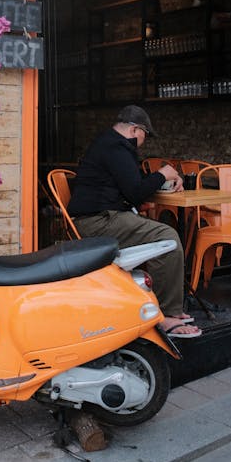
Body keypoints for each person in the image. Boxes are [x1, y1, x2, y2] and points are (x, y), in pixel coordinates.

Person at [68, 104, 201, 338]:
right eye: (145, 135)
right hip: (97, 222)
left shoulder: (108, 144)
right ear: (135, 130)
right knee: (167, 238)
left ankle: (162, 305)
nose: (144, 141)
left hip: (99, 217)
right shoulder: (116, 148)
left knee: (163, 233)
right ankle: (166, 316)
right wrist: (164, 173)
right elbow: (135, 192)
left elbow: (132, 185)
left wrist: (162, 180)